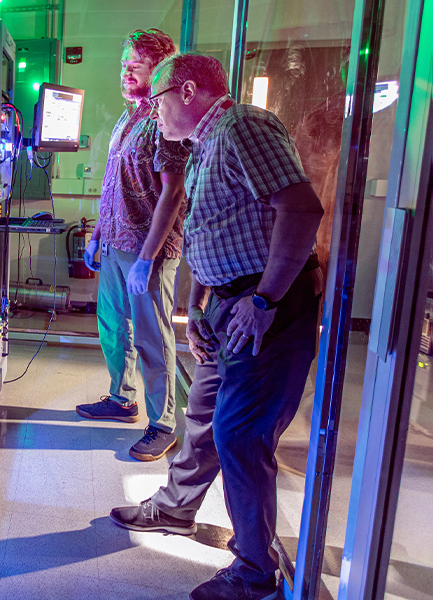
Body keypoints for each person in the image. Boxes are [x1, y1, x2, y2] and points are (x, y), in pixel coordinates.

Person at [109, 53, 324, 600]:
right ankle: (177, 509)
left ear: (185, 91)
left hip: (262, 307)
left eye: (156, 101)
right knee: (202, 412)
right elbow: (213, 233)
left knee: (240, 436)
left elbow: (300, 210)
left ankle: (255, 575)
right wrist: (199, 310)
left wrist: (266, 299)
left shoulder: (242, 126)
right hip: (227, 306)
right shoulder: (204, 147)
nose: (152, 112)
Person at [74, 28, 189, 462]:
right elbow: (113, 184)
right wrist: (98, 234)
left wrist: (146, 259)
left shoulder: (167, 119)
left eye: (133, 65)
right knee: (111, 326)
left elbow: (173, 193)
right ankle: (121, 399)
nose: (124, 71)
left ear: (157, 68)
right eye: (123, 64)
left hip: (148, 251)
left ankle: (163, 424)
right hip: (116, 244)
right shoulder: (128, 117)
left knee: (152, 337)